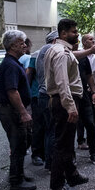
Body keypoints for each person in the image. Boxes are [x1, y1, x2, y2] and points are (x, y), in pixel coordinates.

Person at [44, 19, 88, 190]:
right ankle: (58, 185)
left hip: (63, 100)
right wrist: (70, 106)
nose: (77, 34)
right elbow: (62, 83)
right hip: (65, 102)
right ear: (63, 33)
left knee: (68, 142)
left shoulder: (58, 50)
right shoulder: (61, 52)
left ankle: (72, 175)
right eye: (73, 31)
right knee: (62, 144)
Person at [0, 30, 36, 190]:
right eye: (22, 43)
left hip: (14, 111)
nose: (25, 46)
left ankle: (19, 173)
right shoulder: (10, 65)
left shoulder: (14, 63)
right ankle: (16, 180)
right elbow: (12, 91)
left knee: (24, 141)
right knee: (18, 144)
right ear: (13, 45)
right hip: (12, 111)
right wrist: (23, 112)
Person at [76, 33, 95, 165]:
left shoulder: (84, 58)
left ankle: (93, 154)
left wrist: (94, 92)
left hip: (84, 96)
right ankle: (71, 157)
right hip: (71, 96)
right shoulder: (67, 56)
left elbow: (89, 76)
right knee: (72, 126)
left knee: (91, 125)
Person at [36, 30, 58, 171]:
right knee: (53, 130)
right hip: (48, 95)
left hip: (43, 94)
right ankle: (51, 162)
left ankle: (48, 160)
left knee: (49, 129)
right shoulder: (50, 49)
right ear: (55, 40)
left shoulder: (42, 50)